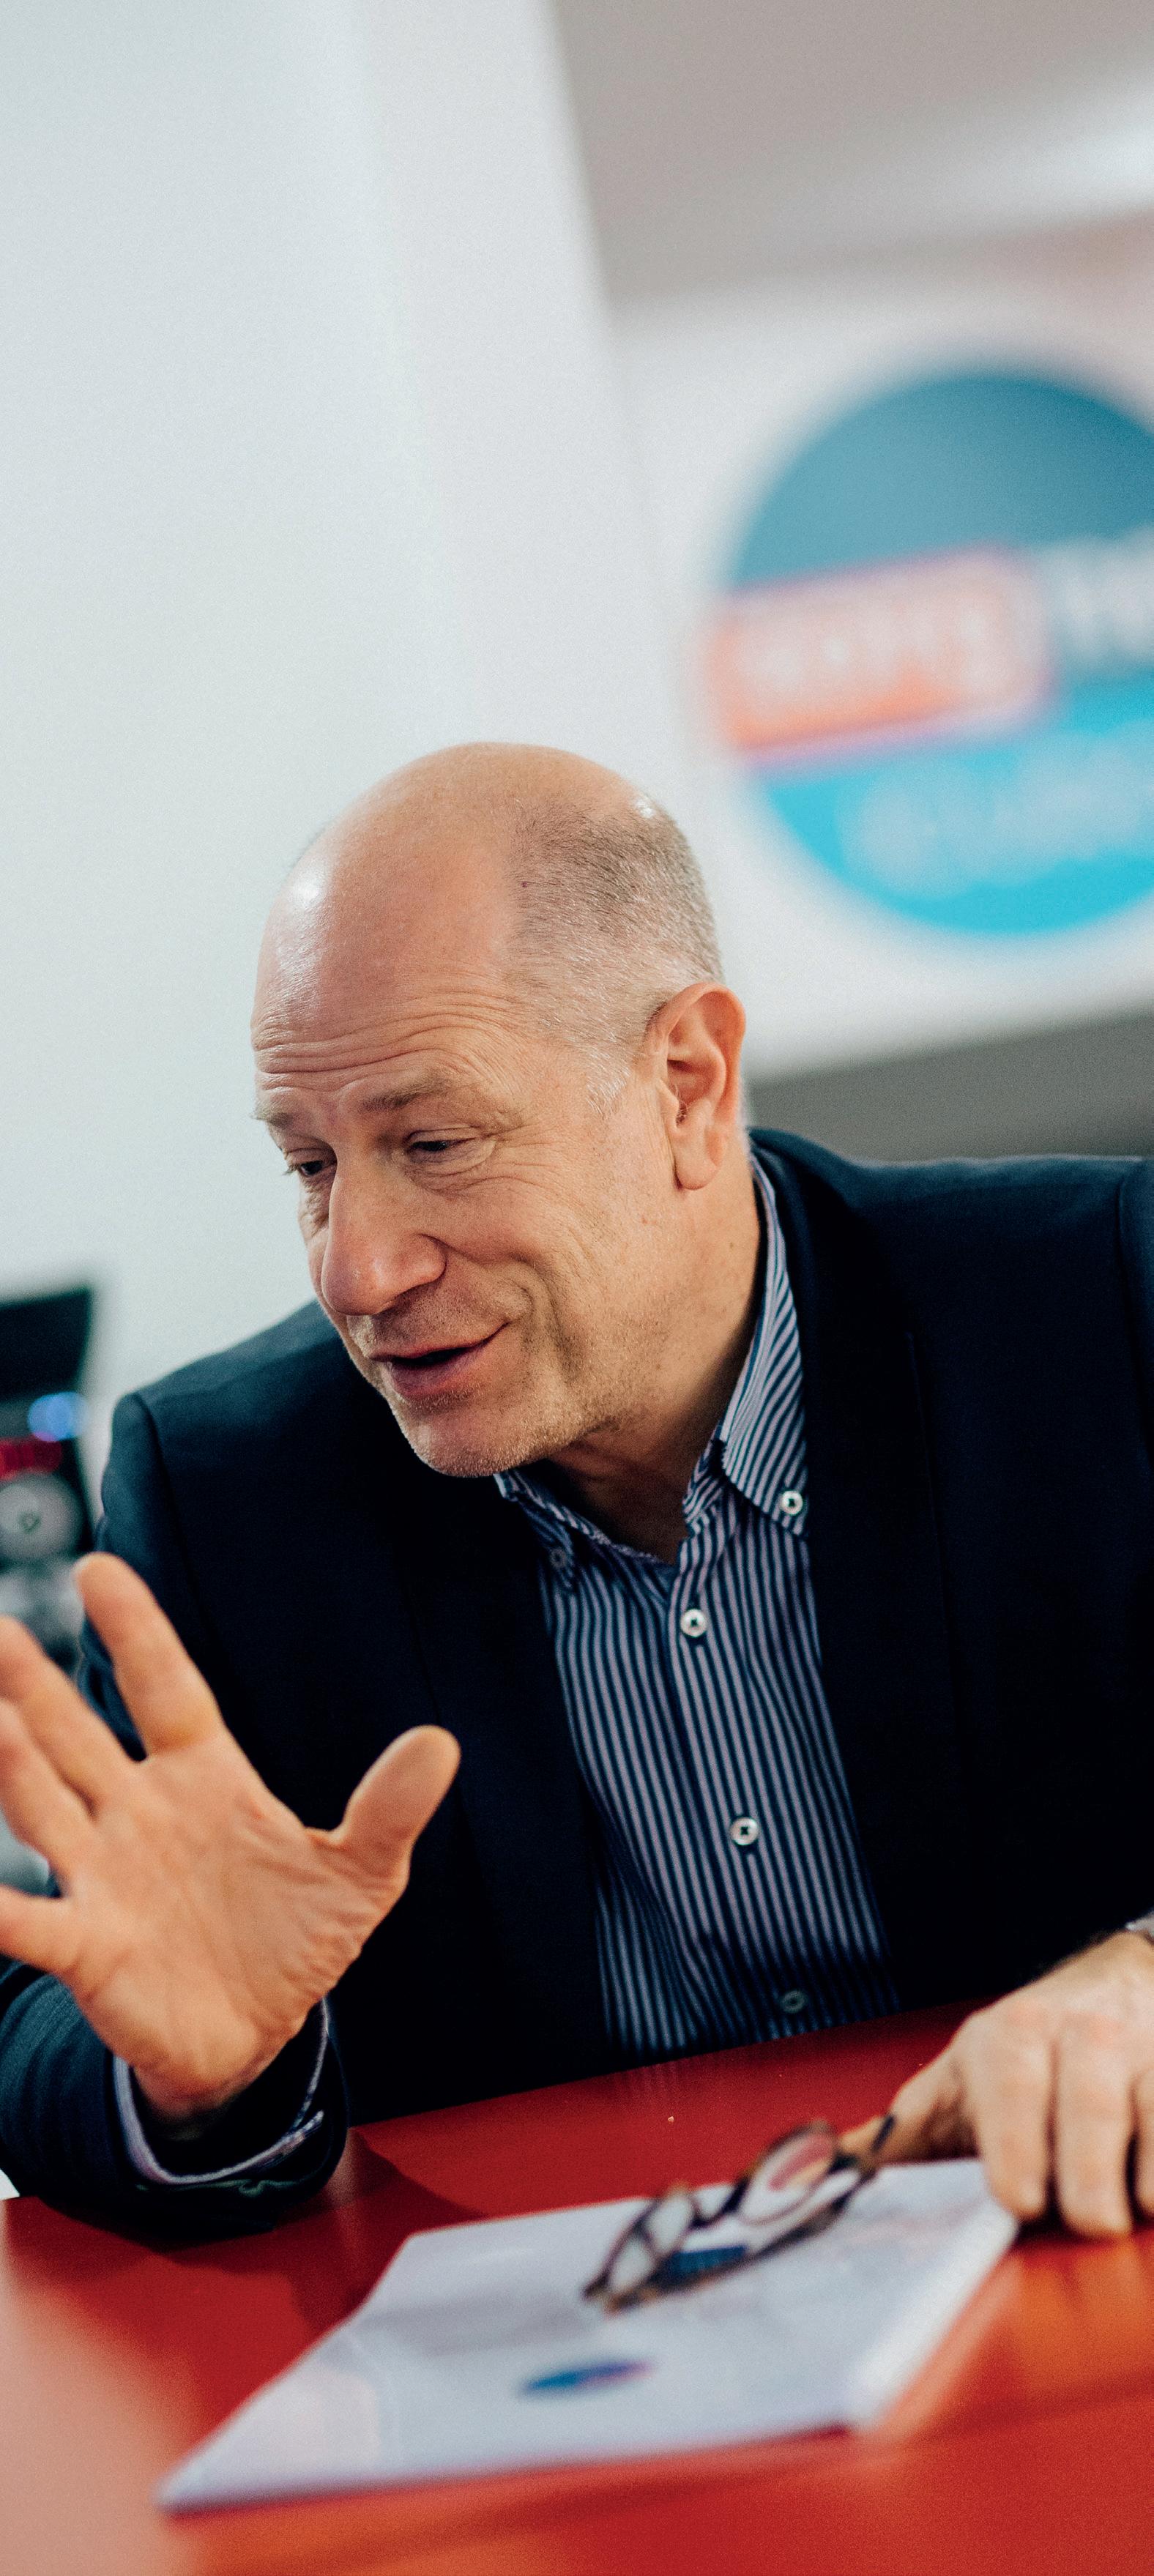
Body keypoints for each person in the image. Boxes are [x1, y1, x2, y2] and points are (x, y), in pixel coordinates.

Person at [2, 742, 1154, 2244]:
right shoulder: (230, 1488)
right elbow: (65, 2010)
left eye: (434, 1144)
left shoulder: (1103, 1306)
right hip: (583, 2318)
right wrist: (202, 2081)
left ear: (686, 1084)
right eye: (311, 1167)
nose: (359, 1270)